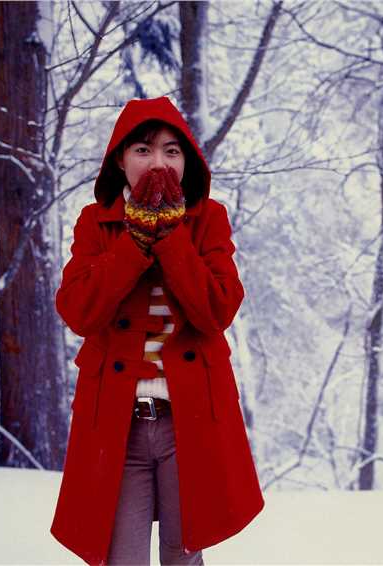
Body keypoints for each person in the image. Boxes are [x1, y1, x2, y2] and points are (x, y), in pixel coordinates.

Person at [50, 96, 265, 566]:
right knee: (120, 557)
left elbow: (217, 309)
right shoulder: (95, 222)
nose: (158, 162)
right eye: (143, 150)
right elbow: (78, 310)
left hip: (188, 420)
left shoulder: (209, 220)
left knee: (182, 555)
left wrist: (171, 239)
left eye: (172, 151)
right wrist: (135, 241)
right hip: (117, 422)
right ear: (121, 160)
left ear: (187, 161)